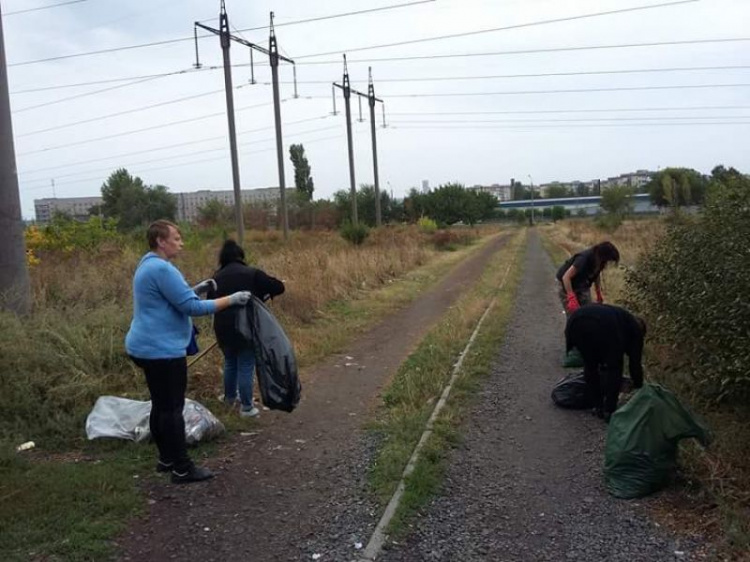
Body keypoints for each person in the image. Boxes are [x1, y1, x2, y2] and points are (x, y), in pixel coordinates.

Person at [125, 220, 252, 484]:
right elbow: (193, 308)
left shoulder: (147, 264)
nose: (181, 242)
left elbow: (173, 299)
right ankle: (182, 468)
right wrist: (232, 299)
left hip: (144, 346)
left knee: (161, 405)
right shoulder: (162, 269)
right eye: (176, 237)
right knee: (172, 407)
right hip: (161, 350)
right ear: (161, 241)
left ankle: (167, 459)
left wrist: (195, 290)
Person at [208, 239, 285, 417]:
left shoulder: (216, 277)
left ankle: (229, 398)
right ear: (241, 256)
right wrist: (264, 293)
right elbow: (279, 287)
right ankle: (247, 407)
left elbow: (209, 301)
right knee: (245, 364)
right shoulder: (252, 273)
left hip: (223, 328)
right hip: (246, 327)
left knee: (230, 362)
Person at [564, 303, 646, 422]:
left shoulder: (621, 318)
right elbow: (635, 363)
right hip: (601, 324)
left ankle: (597, 405)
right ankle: (609, 410)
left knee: (590, 364)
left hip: (574, 322)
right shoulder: (635, 330)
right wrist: (639, 386)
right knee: (615, 367)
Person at [556, 241, 620, 314]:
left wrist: (598, 292)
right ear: (602, 255)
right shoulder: (583, 259)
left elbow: (596, 275)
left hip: (581, 283)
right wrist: (571, 297)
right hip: (566, 284)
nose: (607, 263)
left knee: (587, 312)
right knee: (574, 314)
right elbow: (566, 277)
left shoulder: (601, 261)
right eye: (608, 260)